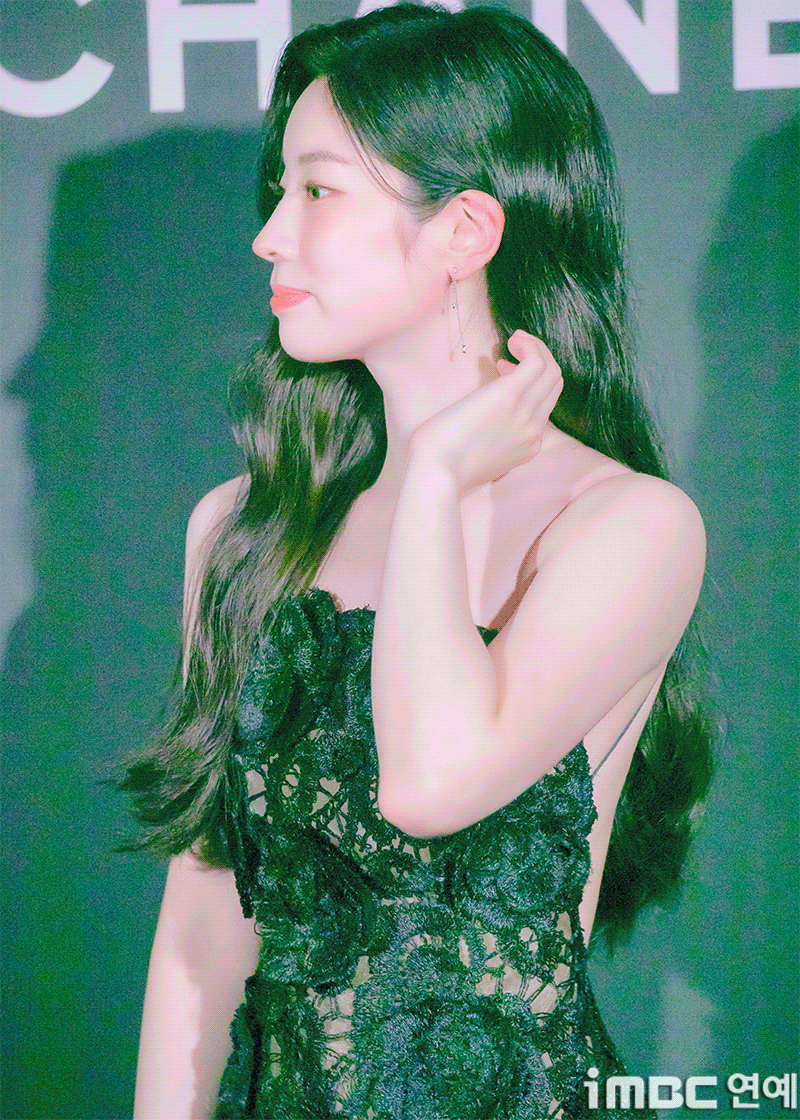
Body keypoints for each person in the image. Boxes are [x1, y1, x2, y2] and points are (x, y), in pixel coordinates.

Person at [122, 5, 711, 1117]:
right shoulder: (242, 529)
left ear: (464, 231)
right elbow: (204, 919)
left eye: (318, 191)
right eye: (280, 190)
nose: (269, 236)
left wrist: (436, 482)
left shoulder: (626, 525)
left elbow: (429, 784)